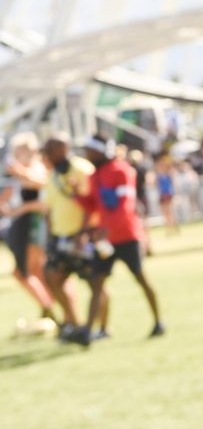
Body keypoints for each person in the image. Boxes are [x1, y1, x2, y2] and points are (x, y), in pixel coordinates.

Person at [76, 136, 165, 345]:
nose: (86, 155)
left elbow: (125, 206)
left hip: (126, 237)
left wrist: (106, 230)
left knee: (141, 279)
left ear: (100, 151)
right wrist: (75, 195)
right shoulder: (95, 175)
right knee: (97, 282)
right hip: (106, 240)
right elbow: (94, 205)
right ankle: (88, 332)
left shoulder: (122, 171)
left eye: (89, 150)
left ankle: (158, 321)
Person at [40, 135, 108, 342]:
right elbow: (49, 209)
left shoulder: (82, 169)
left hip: (83, 236)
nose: (47, 155)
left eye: (50, 150)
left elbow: (93, 202)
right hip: (60, 237)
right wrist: (50, 236)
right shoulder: (52, 176)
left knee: (95, 283)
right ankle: (74, 323)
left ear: (63, 148)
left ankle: (103, 327)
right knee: (52, 277)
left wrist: (87, 231)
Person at [0, 130, 58, 329]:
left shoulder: (36, 167)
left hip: (33, 225)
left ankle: (50, 307)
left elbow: (43, 189)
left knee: (26, 271)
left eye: (19, 150)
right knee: (32, 271)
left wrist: (19, 173)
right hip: (26, 224)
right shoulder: (23, 171)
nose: (15, 154)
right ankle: (49, 307)